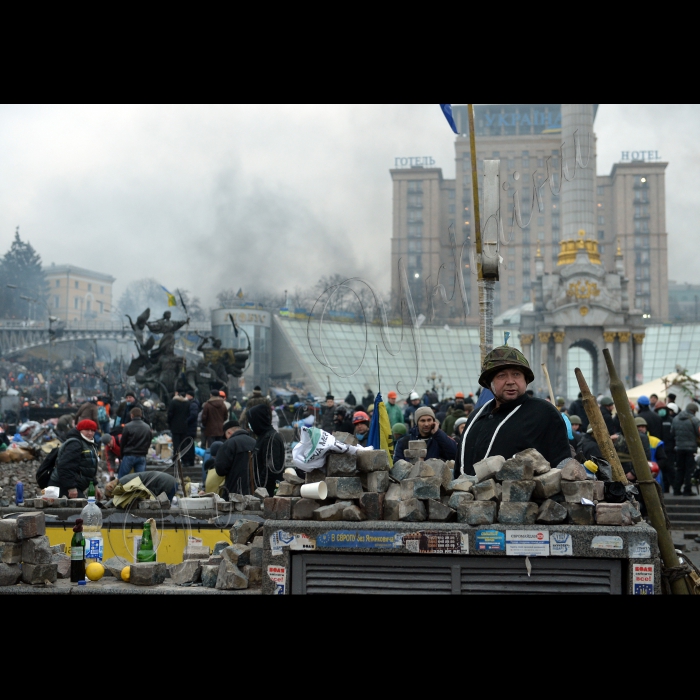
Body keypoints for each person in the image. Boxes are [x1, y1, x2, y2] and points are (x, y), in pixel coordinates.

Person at [455, 346, 571, 478]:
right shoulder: (476, 416)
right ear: (489, 383)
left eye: (516, 374)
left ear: (525, 380)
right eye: (501, 375)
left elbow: (562, 466)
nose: (510, 382)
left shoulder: (543, 413)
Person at [48, 419, 100, 498]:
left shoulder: (90, 444)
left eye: (92, 430)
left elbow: (88, 468)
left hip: (75, 485)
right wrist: (71, 487)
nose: (90, 433)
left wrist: (94, 485)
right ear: (80, 430)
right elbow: (65, 466)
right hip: (62, 486)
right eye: (86, 430)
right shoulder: (75, 444)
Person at [215, 418, 257, 497]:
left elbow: (220, 469)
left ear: (229, 432)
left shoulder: (229, 444)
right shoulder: (254, 442)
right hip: (254, 491)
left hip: (234, 492)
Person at [249, 404, 285, 495]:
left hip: (268, 493)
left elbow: (271, 469)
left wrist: (259, 488)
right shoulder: (263, 436)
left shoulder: (271, 439)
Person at [671, 402, 700, 496]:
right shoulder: (695, 420)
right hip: (691, 449)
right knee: (689, 470)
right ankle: (687, 490)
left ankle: (676, 489)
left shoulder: (675, 419)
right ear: (693, 411)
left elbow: (672, 432)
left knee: (679, 469)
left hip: (679, 448)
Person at [104, 470, 178, 504]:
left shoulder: (123, 483)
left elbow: (139, 492)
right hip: (169, 481)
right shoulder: (123, 480)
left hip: (166, 484)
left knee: (164, 509)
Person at [118, 407, 152, 478]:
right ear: (141, 415)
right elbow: (149, 441)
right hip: (142, 456)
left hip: (129, 455)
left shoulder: (127, 426)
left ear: (132, 415)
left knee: (122, 479)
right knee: (140, 480)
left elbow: (123, 442)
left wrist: (121, 456)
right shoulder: (147, 427)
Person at [167, 392, 190, 460]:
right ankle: (185, 460)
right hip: (184, 426)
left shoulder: (173, 402)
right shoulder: (187, 403)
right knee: (184, 443)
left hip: (175, 426)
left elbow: (170, 414)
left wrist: (169, 422)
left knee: (176, 444)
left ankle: (176, 459)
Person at [183, 388, 199, 466]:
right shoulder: (192, 403)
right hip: (190, 428)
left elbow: (193, 415)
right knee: (189, 445)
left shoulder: (193, 404)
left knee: (189, 445)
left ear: (190, 396)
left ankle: (190, 461)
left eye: (187, 395)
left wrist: (186, 421)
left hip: (190, 428)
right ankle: (190, 461)